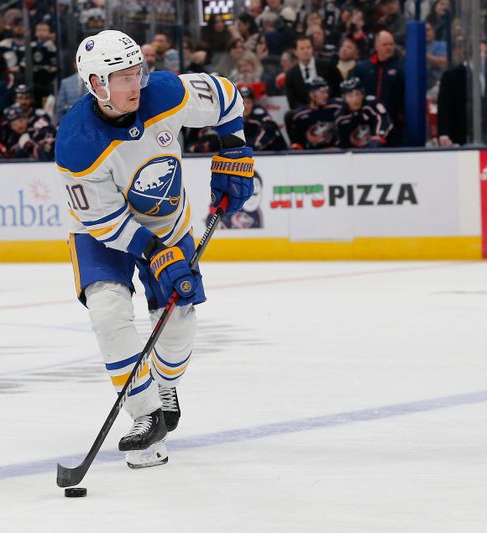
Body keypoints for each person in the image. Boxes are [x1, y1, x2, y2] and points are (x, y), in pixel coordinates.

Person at [55, 30, 253, 468]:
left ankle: (164, 386)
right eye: (122, 77)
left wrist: (233, 148)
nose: (135, 84)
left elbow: (225, 95)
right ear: (95, 84)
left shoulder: (163, 92)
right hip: (101, 234)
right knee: (107, 313)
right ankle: (145, 417)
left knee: (179, 315)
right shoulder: (76, 143)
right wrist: (152, 251)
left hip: (169, 220)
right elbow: (104, 221)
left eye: (136, 71)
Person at [349, 30, 404, 146]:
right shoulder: (361, 68)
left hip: (392, 123)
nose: (389, 47)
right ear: (376, 46)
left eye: (391, 44)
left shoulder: (400, 69)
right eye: (385, 44)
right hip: (365, 124)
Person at [333, 76, 392, 148]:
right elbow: (341, 142)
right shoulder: (340, 116)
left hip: (378, 149)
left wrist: (379, 136)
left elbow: (384, 119)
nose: (355, 99)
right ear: (344, 99)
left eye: (358, 94)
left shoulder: (372, 104)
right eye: (350, 96)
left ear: (363, 94)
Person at [285, 35, 342, 109]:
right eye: (302, 48)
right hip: (304, 113)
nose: (306, 51)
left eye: (308, 47)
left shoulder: (328, 67)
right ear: (295, 52)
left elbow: (338, 89)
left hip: (329, 108)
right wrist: (308, 108)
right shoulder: (291, 75)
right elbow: (292, 101)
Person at [289, 76, 342, 149]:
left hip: (337, 154)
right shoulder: (300, 116)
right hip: (312, 156)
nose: (326, 95)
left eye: (327, 92)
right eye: (322, 92)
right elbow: (297, 144)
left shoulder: (336, 108)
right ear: (311, 94)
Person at [239, 86, 287, 152]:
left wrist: (250, 146)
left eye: (248, 102)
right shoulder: (234, 115)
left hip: (277, 153)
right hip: (256, 153)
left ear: (253, 103)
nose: (245, 106)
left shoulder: (259, 113)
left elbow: (269, 129)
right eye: (242, 102)